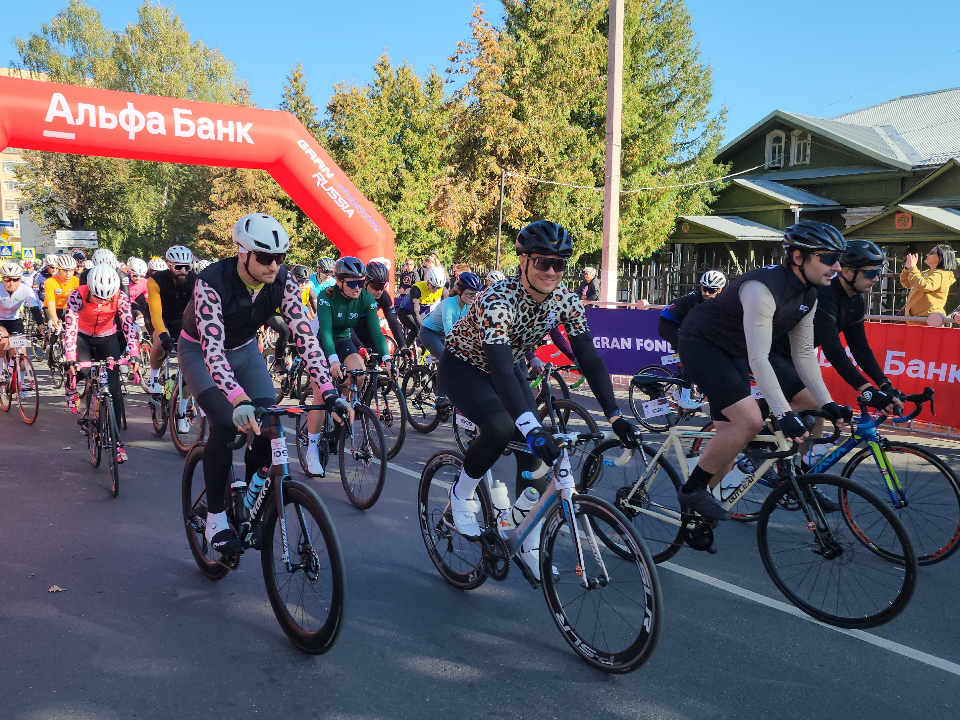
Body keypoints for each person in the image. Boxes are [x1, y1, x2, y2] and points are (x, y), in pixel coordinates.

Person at [439, 221, 641, 580]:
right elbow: (499, 371)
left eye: (559, 264)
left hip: (509, 364)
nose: (551, 271)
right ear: (523, 262)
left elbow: (590, 359)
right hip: (466, 366)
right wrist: (530, 427)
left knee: (535, 457)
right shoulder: (498, 299)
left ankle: (525, 538)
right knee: (502, 428)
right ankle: (461, 495)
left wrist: (615, 416)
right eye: (542, 262)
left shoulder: (566, 301)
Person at [177, 213, 346, 554]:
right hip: (199, 352)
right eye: (266, 257)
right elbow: (212, 350)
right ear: (243, 253)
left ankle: (250, 493)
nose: (274, 266)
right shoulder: (211, 281)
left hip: (245, 351)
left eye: (280, 257)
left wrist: (327, 390)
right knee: (225, 423)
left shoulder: (284, 282)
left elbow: (305, 337)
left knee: (269, 422)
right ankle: (215, 517)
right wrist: (238, 399)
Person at [676, 220, 852, 521]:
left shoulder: (808, 296)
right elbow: (760, 356)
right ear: (798, 257)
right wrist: (783, 414)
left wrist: (827, 404)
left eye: (839, 259)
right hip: (701, 343)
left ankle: (693, 521)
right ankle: (691, 490)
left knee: (730, 442)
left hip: (733, 352)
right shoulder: (762, 288)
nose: (836, 267)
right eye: (827, 258)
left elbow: (804, 355)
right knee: (749, 420)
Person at [768, 240, 905, 459]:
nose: (877, 279)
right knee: (815, 403)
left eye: (879, 272)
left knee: (818, 409)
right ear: (847, 272)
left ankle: (805, 475)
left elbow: (860, 348)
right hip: (770, 352)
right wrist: (867, 390)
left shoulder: (855, 300)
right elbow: (833, 350)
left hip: (794, 357)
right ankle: (755, 447)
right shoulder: (825, 295)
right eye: (871, 273)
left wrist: (884, 384)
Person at [306, 256, 393, 475]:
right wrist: (333, 361)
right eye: (352, 282)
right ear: (339, 281)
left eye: (361, 281)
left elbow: (376, 331)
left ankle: (342, 406)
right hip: (319, 340)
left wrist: (387, 359)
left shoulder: (365, 298)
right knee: (320, 394)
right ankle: (312, 449)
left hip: (343, 338)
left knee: (359, 372)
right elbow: (325, 332)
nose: (358, 287)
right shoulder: (327, 297)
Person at [63, 265, 140, 460]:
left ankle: (117, 442)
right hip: (82, 336)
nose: (102, 301)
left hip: (107, 337)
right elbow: (70, 328)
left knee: (113, 390)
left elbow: (128, 325)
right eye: (98, 297)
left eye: (107, 298)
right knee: (81, 369)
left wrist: (135, 353)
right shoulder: (77, 295)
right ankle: (70, 385)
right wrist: (70, 357)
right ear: (90, 288)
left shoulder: (120, 297)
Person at [658, 270, 726, 410]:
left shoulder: (720, 299)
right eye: (703, 288)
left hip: (680, 324)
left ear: (719, 290)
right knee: (691, 356)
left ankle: (681, 390)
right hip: (668, 325)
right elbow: (697, 327)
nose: (706, 293)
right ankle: (684, 398)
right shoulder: (695, 302)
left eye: (710, 290)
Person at [146, 246, 196, 394]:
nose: (183, 271)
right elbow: (155, 313)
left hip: (180, 318)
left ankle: (185, 405)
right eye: (178, 267)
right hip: (158, 317)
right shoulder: (155, 280)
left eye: (186, 267)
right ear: (169, 266)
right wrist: (163, 335)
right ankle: (154, 376)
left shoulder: (194, 280)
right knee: (161, 342)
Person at [418, 271, 481, 360]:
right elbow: (449, 333)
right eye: (469, 294)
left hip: (443, 334)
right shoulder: (448, 304)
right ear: (459, 291)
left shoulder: (470, 305)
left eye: (475, 294)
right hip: (429, 333)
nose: (473, 297)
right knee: (448, 359)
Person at [0, 262, 45, 380]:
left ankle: (21, 383)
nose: (11, 283)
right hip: (0, 321)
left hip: (15, 320)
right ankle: (0, 373)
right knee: (3, 341)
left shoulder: (26, 289)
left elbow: (34, 309)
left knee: (21, 353)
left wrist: (41, 325)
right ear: (2, 279)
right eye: (7, 279)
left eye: (15, 280)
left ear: (20, 278)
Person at [352, 261, 406, 354]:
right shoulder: (354, 294)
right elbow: (345, 327)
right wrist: (359, 346)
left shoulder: (384, 296)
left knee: (379, 354)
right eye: (375, 287)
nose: (379, 291)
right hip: (349, 326)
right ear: (365, 282)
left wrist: (403, 346)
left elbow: (393, 322)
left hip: (368, 327)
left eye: (382, 287)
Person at [900, 244, 956, 318]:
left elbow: (923, 285)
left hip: (929, 320)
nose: (927, 254)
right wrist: (907, 269)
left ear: (941, 257)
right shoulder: (927, 272)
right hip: (917, 319)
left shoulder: (941, 274)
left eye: (931, 252)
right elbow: (907, 283)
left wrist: (913, 268)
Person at [396, 266, 445, 347]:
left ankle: (421, 356)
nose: (435, 290)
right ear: (428, 281)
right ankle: (404, 350)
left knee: (431, 332)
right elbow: (415, 312)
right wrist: (421, 328)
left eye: (438, 288)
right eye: (434, 286)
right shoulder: (417, 288)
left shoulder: (442, 291)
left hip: (422, 313)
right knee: (416, 329)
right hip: (406, 312)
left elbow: (445, 310)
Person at [44, 255, 80, 328]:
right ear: (60, 270)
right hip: (51, 307)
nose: (68, 273)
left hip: (66, 307)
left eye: (71, 270)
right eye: (65, 270)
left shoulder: (76, 281)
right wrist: (54, 319)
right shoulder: (50, 281)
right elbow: (51, 302)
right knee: (54, 327)